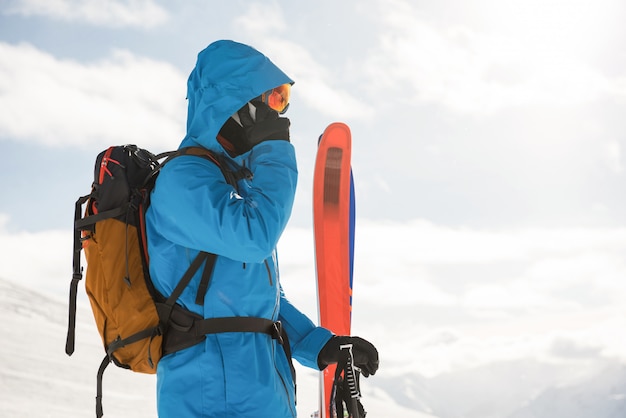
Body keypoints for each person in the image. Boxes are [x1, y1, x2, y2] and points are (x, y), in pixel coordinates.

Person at [145, 40, 379, 417]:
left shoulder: (232, 189)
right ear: (233, 105)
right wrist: (274, 150)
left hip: (257, 389)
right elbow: (256, 238)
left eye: (282, 99)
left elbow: (261, 302)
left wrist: (320, 346)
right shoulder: (182, 182)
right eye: (270, 100)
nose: (277, 113)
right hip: (212, 395)